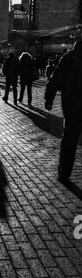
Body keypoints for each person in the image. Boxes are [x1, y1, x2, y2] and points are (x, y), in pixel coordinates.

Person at [45, 40, 82, 184]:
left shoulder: (68, 58)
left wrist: (49, 99)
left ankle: (64, 172)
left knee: (69, 140)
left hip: (72, 105)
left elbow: (55, 80)